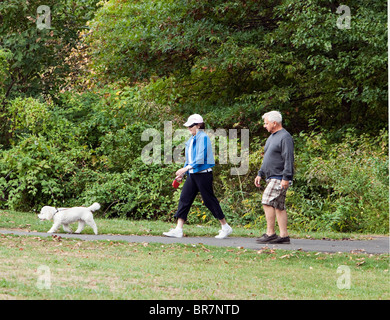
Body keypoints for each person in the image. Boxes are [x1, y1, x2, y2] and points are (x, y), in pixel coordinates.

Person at [163, 114, 233, 239]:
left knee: (209, 200)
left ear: (199, 125)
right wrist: (183, 173)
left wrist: (185, 168)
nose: (189, 128)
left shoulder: (203, 137)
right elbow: (189, 159)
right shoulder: (191, 139)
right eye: (188, 126)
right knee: (184, 199)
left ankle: (225, 227)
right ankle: (178, 229)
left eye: (191, 125)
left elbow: (200, 158)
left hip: (204, 175)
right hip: (193, 174)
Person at [254, 111, 294, 244]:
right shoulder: (271, 137)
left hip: (280, 176)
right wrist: (260, 173)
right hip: (271, 176)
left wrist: (286, 177)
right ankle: (284, 236)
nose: (264, 126)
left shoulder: (285, 137)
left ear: (274, 123)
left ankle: (270, 233)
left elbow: (288, 158)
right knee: (279, 206)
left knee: (267, 201)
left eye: (266, 123)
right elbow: (267, 158)